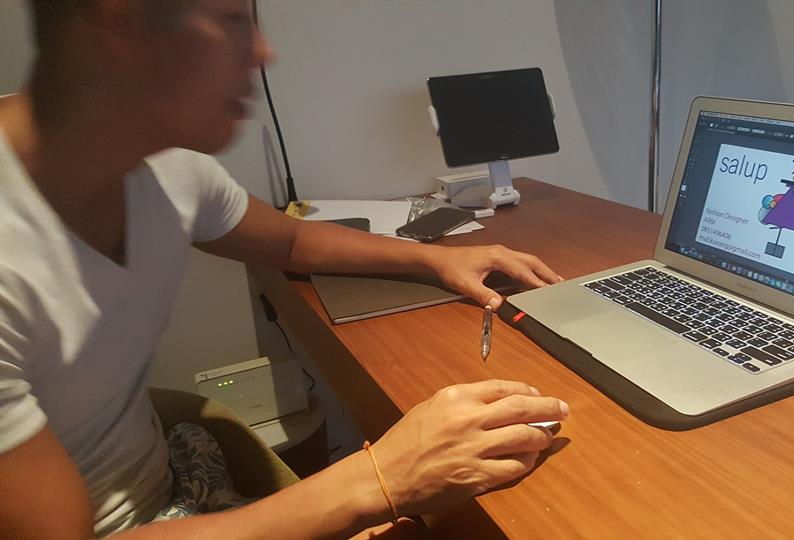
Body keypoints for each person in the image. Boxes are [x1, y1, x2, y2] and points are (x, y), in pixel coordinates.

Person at [0, 1, 569, 537]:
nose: (264, 51)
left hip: (173, 483)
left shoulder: (167, 168)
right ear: (119, 26)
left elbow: (294, 241)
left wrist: (439, 258)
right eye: (230, 19)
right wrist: (379, 480)